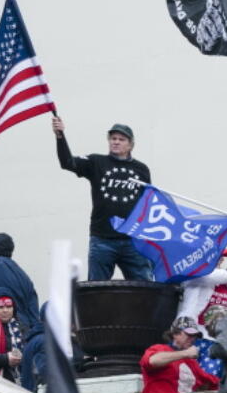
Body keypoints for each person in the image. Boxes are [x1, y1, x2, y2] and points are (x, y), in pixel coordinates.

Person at [51, 115, 153, 281]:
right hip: (102, 239)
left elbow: (147, 204)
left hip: (133, 240)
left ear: (130, 144)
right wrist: (60, 136)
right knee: (96, 289)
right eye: (113, 138)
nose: (116, 142)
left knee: (146, 288)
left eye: (121, 139)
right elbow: (67, 162)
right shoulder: (96, 162)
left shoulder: (141, 169)